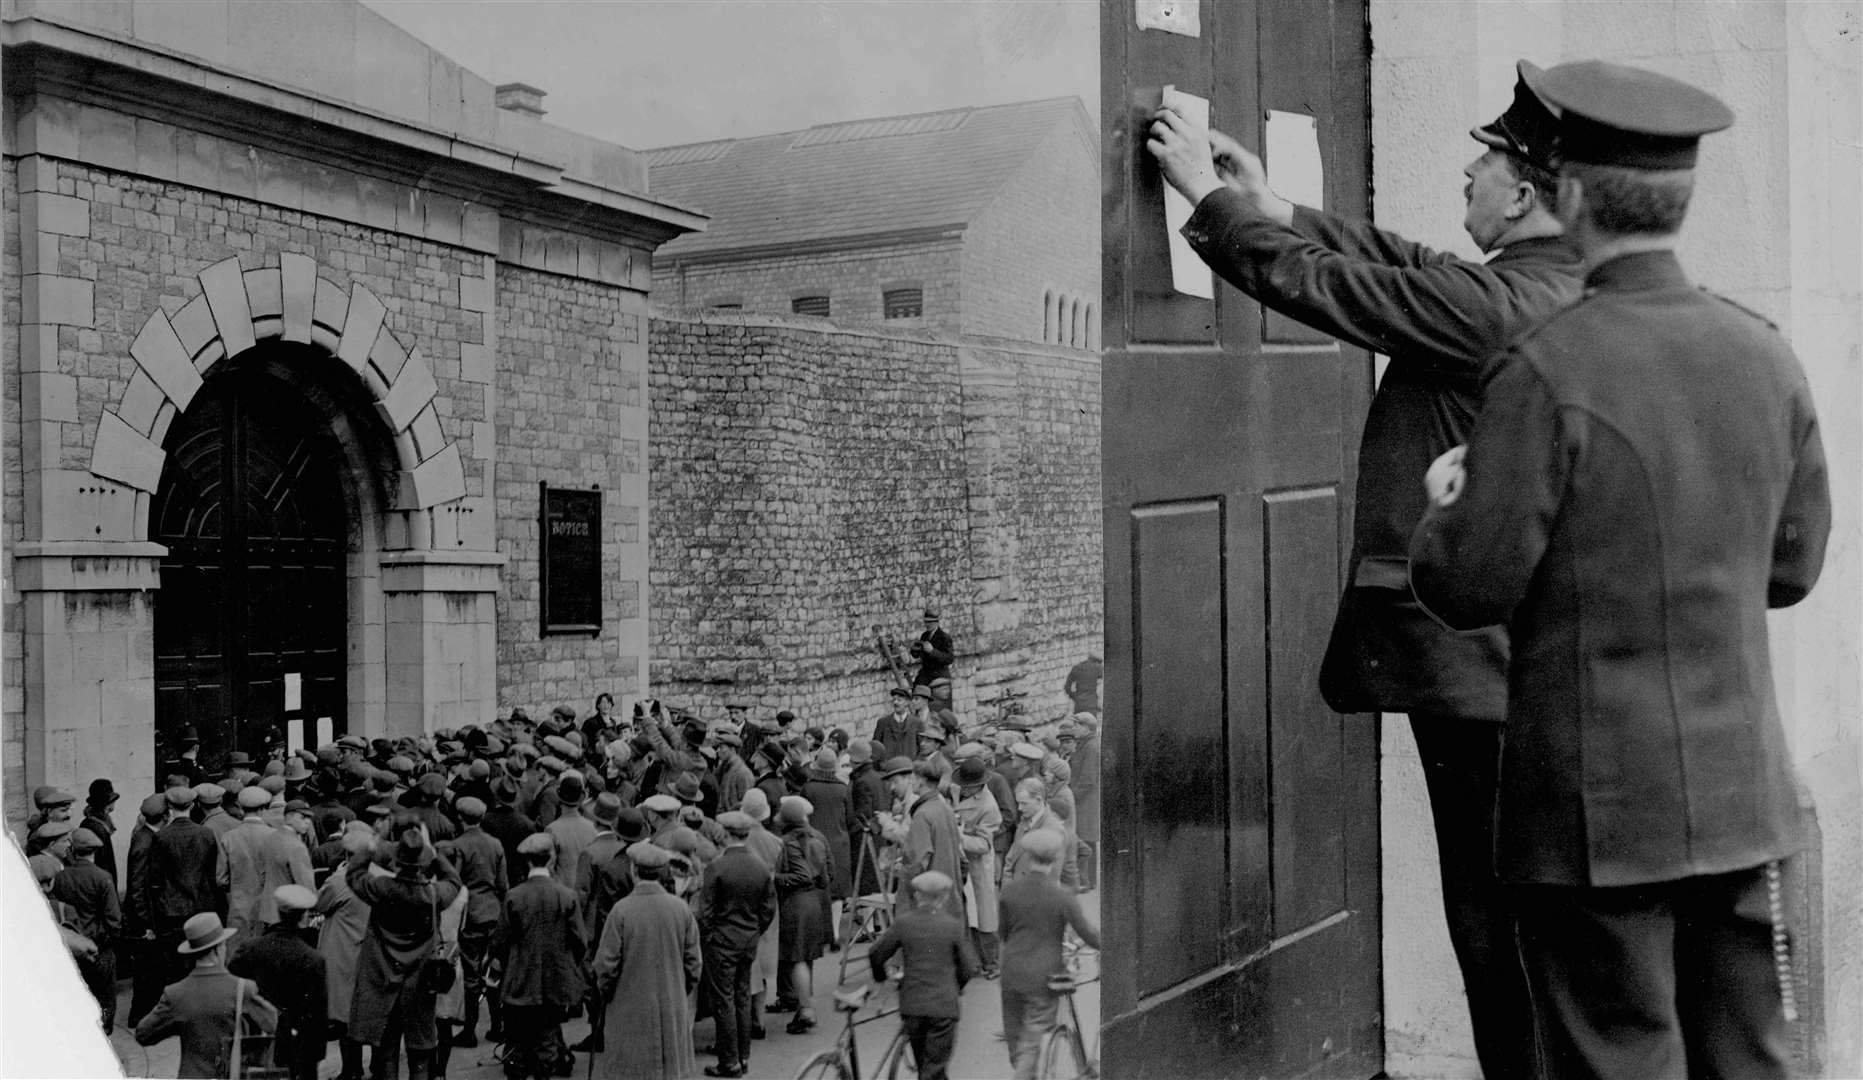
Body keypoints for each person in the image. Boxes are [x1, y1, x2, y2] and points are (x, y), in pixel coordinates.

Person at [1149, 61, 1580, 1080]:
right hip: (1509, 664)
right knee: (1510, 922)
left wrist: (1210, 208)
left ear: (1520, 194)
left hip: (1477, 670)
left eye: (1482, 163)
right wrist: (1275, 203)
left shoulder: (1497, 306)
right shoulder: (1538, 285)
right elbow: (1409, 261)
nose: (1466, 175)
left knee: (1495, 926)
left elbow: (1352, 290)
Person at [1408, 60, 1831, 1080]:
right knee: (1754, 1063)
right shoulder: (1765, 354)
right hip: (1741, 804)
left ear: (1574, 198)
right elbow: (1794, 567)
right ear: (1678, 203)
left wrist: (1445, 503)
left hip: (1591, 817)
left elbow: (1467, 587)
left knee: (1615, 1064)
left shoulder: (1548, 367)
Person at [346, 826, 463, 1080]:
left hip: (384, 980)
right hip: (420, 983)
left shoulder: (381, 888)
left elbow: (353, 874)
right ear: (422, 865)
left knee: (387, 1051)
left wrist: (371, 846)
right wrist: (432, 852)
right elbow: (453, 881)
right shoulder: (433, 895)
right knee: (420, 1053)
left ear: (396, 863)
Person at [591, 841, 704, 1080]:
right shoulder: (680, 909)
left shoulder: (620, 911)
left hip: (628, 1006)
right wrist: (679, 989)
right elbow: (694, 963)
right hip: (671, 1003)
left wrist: (608, 993)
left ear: (633, 871)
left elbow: (606, 965)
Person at [998, 828, 1100, 1080]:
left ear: (1028, 856)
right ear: (1055, 859)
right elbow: (1087, 933)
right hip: (1044, 977)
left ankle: (1023, 1070)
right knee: (1032, 1040)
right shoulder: (1062, 896)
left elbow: (1003, 933)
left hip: (1011, 973)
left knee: (1016, 1038)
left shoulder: (1010, 891)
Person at [135, 911, 280, 1079]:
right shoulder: (243, 989)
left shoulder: (175, 994)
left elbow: (143, 1034)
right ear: (219, 949)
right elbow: (272, 1024)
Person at [867, 870, 979, 1080]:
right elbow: (968, 967)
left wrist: (881, 977)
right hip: (943, 1007)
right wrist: (957, 987)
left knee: (924, 1065)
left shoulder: (903, 923)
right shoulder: (952, 926)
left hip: (912, 1005)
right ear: (944, 898)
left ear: (917, 895)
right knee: (934, 1068)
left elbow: (876, 953)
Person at [696, 811, 779, 1078]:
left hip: (721, 941)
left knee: (724, 1001)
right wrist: (754, 930)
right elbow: (768, 908)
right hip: (748, 939)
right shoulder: (759, 866)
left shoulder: (717, 867)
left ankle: (729, 1061)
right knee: (743, 997)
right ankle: (743, 1056)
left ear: (726, 833)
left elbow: (705, 910)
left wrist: (710, 936)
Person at [501, 832, 586, 1080]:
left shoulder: (514, 896)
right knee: (548, 1040)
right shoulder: (567, 896)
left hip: (520, 980)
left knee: (517, 1040)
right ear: (550, 860)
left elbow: (501, 941)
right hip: (555, 980)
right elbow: (579, 940)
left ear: (526, 862)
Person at [229, 884, 327, 1080]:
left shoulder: (250, 949)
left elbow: (231, 981)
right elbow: (318, 1012)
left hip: (259, 1039)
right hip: (299, 1043)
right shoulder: (313, 959)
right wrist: (317, 1054)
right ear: (302, 916)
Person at [316, 823, 381, 1080]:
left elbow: (321, 904)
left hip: (344, 954)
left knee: (345, 1017)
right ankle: (379, 1065)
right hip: (375, 952)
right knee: (374, 1012)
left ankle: (351, 1069)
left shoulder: (340, 880)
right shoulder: (383, 876)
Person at [448, 796, 508, 1048]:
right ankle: (497, 1026)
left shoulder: (458, 845)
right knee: (494, 971)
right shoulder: (495, 844)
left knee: (471, 975)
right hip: (493, 913)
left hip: (470, 916)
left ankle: (469, 1030)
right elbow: (503, 884)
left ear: (460, 818)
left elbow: (454, 882)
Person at [150, 786, 225, 986]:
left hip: (171, 911)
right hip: (201, 907)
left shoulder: (161, 837)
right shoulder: (206, 833)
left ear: (169, 807)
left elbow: (155, 880)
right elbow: (211, 875)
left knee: (174, 968)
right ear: (192, 805)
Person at [52, 827, 122, 1033]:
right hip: (99, 946)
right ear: (95, 851)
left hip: (72, 946)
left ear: (73, 850)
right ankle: (105, 1032)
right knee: (105, 996)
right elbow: (114, 918)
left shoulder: (61, 877)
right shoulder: (102, 877)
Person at [773, 794, 833, 1034]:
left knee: (796, 958)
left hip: (795, 903)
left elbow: (800, 876)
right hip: (815, 901)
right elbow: (829, 874)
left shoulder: (788, 842)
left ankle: (806, 1009)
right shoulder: (819, 837)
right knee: (804, 957)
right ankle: (801, 1004)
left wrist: (775, 878)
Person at [951, 755, 1004, 977]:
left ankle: (992, 964)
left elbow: (983, 845)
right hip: (961, 863)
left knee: (985, 918)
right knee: (965, 914)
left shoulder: (989, 807)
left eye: (968, 788)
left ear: (978, 786)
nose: (963, 791)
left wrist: (957, 835)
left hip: (978, 866)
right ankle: (971, 961)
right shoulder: (957, 790)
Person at [126, 791, 174, 1028]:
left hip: (147, 918)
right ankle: (139, 1017)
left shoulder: (145, 835)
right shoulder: (146, 842)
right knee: (147, 973)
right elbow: (137, 886)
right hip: (145, 922)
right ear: (164, 815)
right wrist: (146, 923)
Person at [79, 779, 121, 888]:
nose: (112, 806)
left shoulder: (96, 822)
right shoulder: (97, 827)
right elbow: (103, 863)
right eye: (110, 802)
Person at [909, 609, 955, 696]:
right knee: (916, 694)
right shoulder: (924, 635)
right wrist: (914, 651)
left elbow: (949, 658)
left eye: (930, 622)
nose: (927, 625)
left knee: (937, 703)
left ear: (937, 622)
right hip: (925, 675)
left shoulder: (944, 637)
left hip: (939, 676)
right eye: (926, 622)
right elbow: (919, 655)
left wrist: (932, 651)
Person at [872, 687, 918, 762]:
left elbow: (922, 748)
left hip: (910, 767)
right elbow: (875, 747)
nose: (895, 703)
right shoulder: (883, 722)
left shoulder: (916, 723)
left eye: (899, 700)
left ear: (907, 702)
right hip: (889, 768)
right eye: (894, 700)